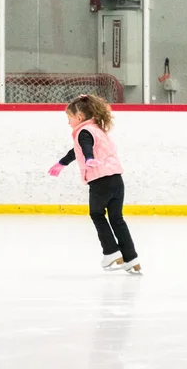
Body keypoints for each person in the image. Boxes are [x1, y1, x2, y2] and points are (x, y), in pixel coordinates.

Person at [48, 94, 142, 274]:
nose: (68, 123)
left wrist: (90, 158)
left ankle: (111, 252)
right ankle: (132, 259)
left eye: (69, 119)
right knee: (117, 219)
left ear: (79, 118)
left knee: (97, 214)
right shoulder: (97, 130)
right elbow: (77, 151)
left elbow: (85, 147)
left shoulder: (84, 132)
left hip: (100, 180)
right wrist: (62, 163)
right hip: (116, 179)